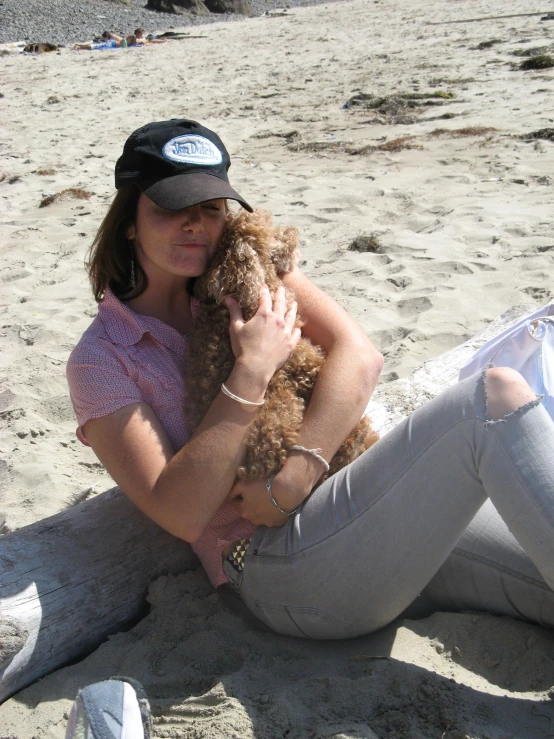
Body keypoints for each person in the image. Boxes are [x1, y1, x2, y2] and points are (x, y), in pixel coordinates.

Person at [66, 118, 554, 643]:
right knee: (492, 397)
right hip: (281, 568)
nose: (195, 224)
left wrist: (297, 473)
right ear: (129, 222)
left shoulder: (247, 276)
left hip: (354, 505)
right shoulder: (101, 360)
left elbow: (360, 356)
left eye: (210, 208)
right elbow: (181, 512)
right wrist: (251, 368)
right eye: (170, 208)